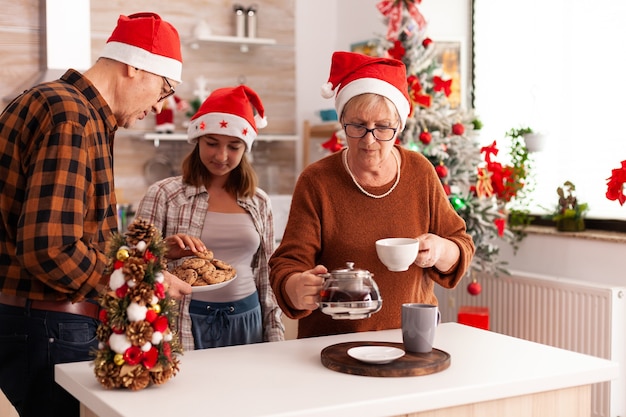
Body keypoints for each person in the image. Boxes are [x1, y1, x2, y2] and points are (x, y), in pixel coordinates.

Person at [0, 12, 193, 417]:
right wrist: (146, 282)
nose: (159, 106)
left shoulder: (54, 103)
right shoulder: (72, 116)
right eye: (163, 88)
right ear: (134, 66)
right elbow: (51, 249)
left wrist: (147, 261)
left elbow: (68, 235)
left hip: (29, 322)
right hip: (47, 326)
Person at [269, 51, 476, 338]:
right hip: (333, 343)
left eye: (382, 128)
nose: (369, 140)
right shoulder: (317, 181)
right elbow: (287, 264)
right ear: (342, 123)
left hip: (410, 339)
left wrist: (440, 250)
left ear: (399, 126)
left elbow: (461, 244)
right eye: (357, 126)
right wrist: (295, 287)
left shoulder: (420, 172)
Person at [135, 85, 285, 351]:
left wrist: (275, 337)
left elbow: (266, 275)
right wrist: (162, 253)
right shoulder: (163, 195)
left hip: (248, 319)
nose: (221, 156)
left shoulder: (259, 201)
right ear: (197, 140)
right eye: (212, 143)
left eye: (234, 146)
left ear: (245, 148)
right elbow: (133, 267)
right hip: (183, 321)